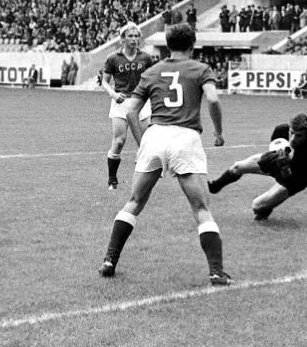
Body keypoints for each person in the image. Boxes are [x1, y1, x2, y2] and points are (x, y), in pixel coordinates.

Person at [98, 23, 229, 285]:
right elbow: (213, 100)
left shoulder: (153, 70)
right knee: (201, 208)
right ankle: (216, 271)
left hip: (155, 136)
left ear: (168, 44)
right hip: (185, 137)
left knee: (134, 202)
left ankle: (109, 260)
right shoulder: (201, 69)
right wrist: (218, 133)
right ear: (192, 45)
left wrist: (144, 141)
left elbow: (132, 110)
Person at [207, 114, 307, 220]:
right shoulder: (281, 130)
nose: (293, 139)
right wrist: (273, 160)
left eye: (298, 136)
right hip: (276, 165)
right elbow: (272, 151)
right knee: (238, 167)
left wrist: (284, 167)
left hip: (293, 180)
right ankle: (215, 186)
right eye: (292, 133)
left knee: (256, 206)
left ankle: (267, 208)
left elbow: (296, 178)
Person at [101, 23, 155, 190]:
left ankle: (141, 180)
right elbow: (104, 81)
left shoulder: (145, 58)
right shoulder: (113, 58)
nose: (134, 39)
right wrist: (113, 94)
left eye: (136, 36)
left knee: (145, 142)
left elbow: (151, 79)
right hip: (121, 103)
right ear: (122, 38)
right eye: (130, 36)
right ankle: (112, 179)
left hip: (141, 102)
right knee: (119, 141)